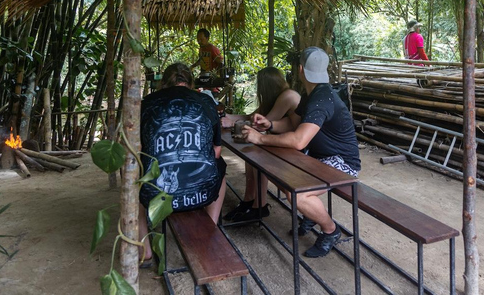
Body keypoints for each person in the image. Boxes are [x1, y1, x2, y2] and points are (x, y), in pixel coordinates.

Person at [242, 47, 361, 258]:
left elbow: (298, 140)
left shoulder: (322, 99)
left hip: (343, 163)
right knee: (274, 170)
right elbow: (292, 122)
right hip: (318, 158)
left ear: (300, 70)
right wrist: (269, 124)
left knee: (298, 193)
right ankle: (311, 214)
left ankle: (330, 230)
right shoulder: (313, 94)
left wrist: (260, 138)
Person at [138, 62, 227, 263]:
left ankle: (143, 247)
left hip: (155, 196)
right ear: (191, 83)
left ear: (163, 84)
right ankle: (209, 229)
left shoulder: (146, 103)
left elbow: (138, 150)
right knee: (220, 168)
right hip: (202, 195)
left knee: (133, 171)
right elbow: (217, 152)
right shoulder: (206, 101)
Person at [220, 67, 301, 222]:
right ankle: (249, 199)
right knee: (251, 151)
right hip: (284, 141)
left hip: (297, 146)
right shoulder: (277, 97)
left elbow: (260, 124)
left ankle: (259, 206)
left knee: (258, 154)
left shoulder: (288, 96)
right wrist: (229, 117)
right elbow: (251, 116)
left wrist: (233, 122)